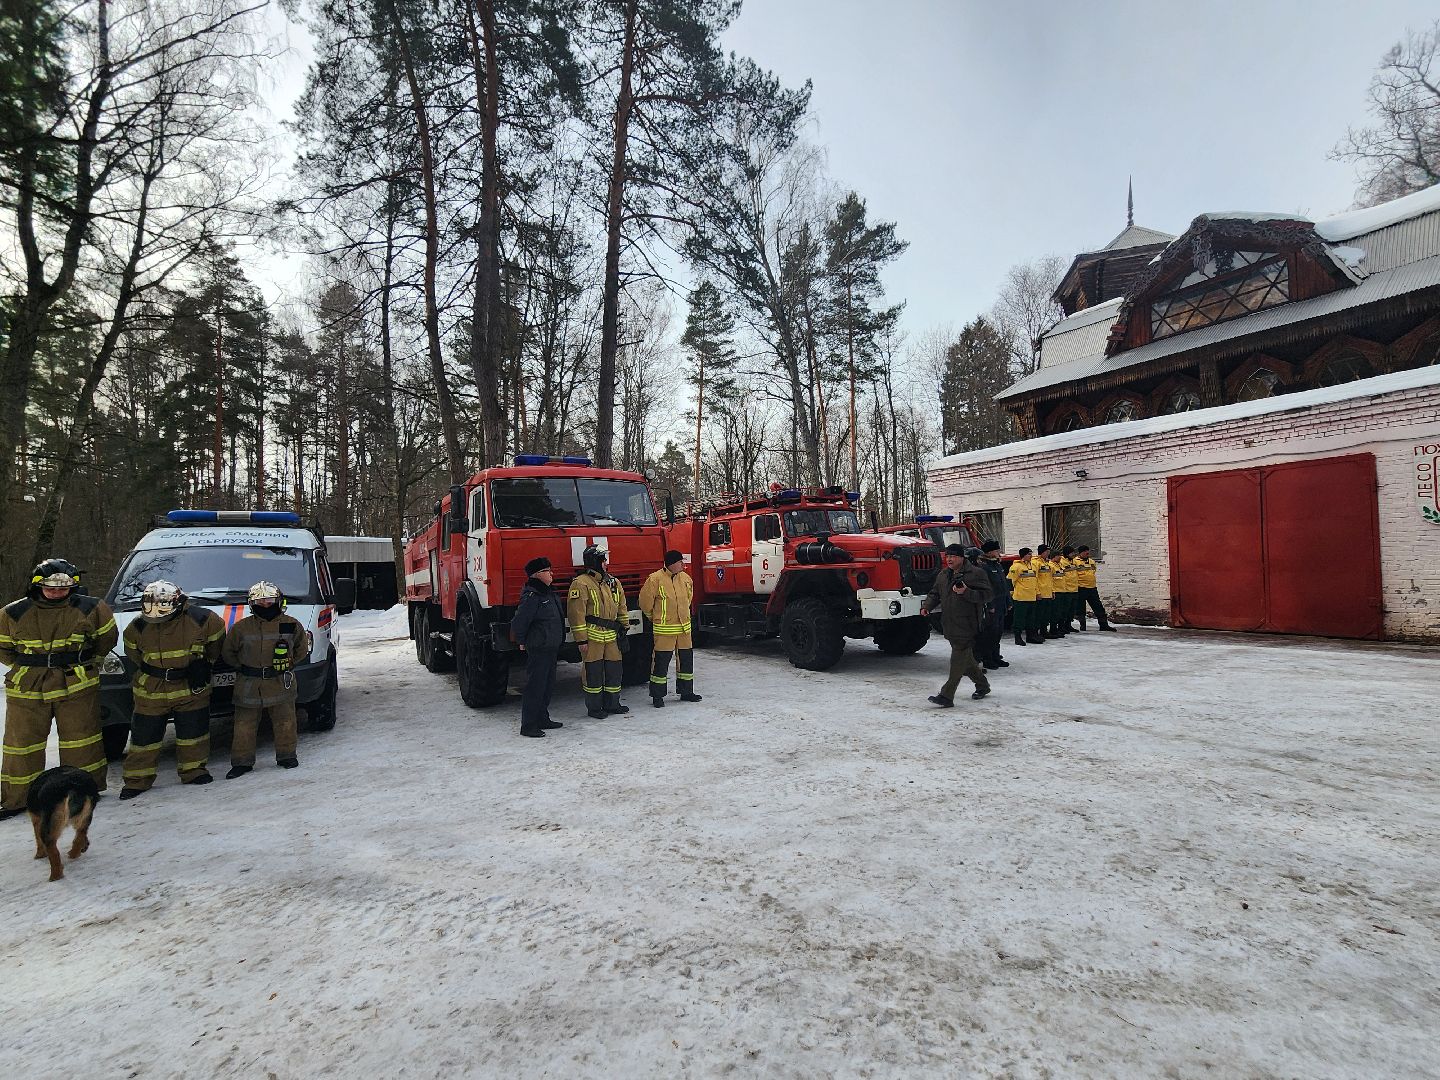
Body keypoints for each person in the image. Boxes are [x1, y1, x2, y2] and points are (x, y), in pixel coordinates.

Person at [0, 559, 117, 819]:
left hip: (76, 683)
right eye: (50, 588)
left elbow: (106, 638)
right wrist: (31, 665)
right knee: (22, 744)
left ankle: (83, 792)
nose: (56, 592)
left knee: (82, 741)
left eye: (63, 588)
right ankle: (18, 798)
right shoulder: (13, 613)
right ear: (37, 586)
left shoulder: (92, 608)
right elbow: (3, 648)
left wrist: (86, 663)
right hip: (28, 685)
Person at [118, 580, 226, 798]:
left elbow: (216, 646)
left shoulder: (204, 620)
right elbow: (133, 654)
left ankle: (194, 771)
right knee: (144, 737)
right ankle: (137, 780)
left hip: (190, 688)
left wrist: (204, 665)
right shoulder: (137, 626)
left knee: (193, 733)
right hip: (151, 690)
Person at [221, 581, 310, 778]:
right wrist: (244, 668)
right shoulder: (241, 628)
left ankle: (287, 756)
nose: (265, 605)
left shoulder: (291, 624)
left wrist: (288, 663)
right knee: (244, 725)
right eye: (259, 602)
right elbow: (228, 652)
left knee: (285, 721)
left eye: (269, 601)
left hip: (280, 681)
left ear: (278, 601)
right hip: (249, 683)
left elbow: (301, 649)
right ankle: (242, 762)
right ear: (252, 604)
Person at [920, 544, 992, 706]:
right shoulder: (943, 574)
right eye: (947, 556)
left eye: (953, 556)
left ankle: (946, 695)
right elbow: (935, 593)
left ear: (962, 557)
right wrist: (927, 607)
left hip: (967, 623)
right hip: (949, 622)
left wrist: (966, 592)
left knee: (957, 659)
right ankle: (982, 685)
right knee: (966, 660)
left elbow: (987, 595)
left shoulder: (976, 573)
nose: (949, 559)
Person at [567, 544, 629, 719]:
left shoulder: (613, 582)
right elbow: (576, 614)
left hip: (612, 636)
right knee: (593, 675)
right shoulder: (581, 583)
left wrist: (624, 627)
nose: (606, 563)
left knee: (614, 672)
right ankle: (594, 708)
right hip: (592, 637)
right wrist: (581, 640)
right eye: (603, 560)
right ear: (595, 561)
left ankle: (613, 704)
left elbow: (622, 606)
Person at [638, 550, 702, 708]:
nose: (683, 564)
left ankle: (686, 692)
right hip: (664, 631)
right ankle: (657, 696)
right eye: (680, 562)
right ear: (672, 564)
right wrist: (655, 618)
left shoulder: (685, 578)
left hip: (684, 630)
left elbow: (688, 599)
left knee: (686, 663)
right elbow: (645, 603)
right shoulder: (655, 579)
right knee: (661, 663)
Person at [510, 557, 565, 738]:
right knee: (536, 686)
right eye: (547, 571)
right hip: (539, 646)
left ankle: (542, 718)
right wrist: (521, 640)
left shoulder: (549, 593)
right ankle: (528, 725)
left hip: (550, 646)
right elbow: (520, 620)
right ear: (537, 575)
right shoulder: (532, 596)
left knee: (547, 685)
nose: (551, 574)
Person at [975, 540, 1010, 669]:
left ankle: (996, 656)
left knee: (998, 632)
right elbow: (986, 588)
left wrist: (1008, 601)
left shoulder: (997, 565)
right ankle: (988, 658)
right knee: (990, 633)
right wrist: (990, 605)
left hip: (1001, 603)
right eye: (996, 550)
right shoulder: (984, 567)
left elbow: (1004, 585)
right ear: (989, 552)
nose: (999, 552)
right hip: (993, 604)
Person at [1074, 545, 1117, 631]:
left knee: (1098, 607)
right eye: (1085, 551)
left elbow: (1093, 572)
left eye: (1088, 551)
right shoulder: (1075, 562)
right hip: (1081, 588)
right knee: (1081, 608)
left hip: (1092, 588)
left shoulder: (1091, 561)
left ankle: (1104, 625)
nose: (1087, 552)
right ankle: (1083, 625)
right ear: (1080, 553)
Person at [1006, 547, 1041, 646]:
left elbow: (1035, 581)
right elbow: (1010, 581)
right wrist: (1011, 594)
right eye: (1029, 554)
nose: (1031, 556)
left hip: (1032, 597)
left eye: (1031, 554)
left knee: (1031, 618)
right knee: (1019, 618)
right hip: (1021, 598)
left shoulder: (1033, 566)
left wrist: (1037, 593)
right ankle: (1017, 637)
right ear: (1023, 555)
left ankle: (1030, 636)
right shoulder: (1016, 567)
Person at [1052, 547, 1079, 638]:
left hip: (1074, 589)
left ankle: (1068, 625)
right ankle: (1062, 626)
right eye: (1071, 553)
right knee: (1064, 610)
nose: (1073, 554)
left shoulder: (1074, 561)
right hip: (1066, 590)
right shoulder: (1062, 562)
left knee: (1071, 610)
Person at [1034, 544, 1057, 640]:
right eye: (1046, 552)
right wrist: (1037, 592)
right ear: (1042, 552)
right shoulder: (1036, 563)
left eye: (1049, 552)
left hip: (1048, 593)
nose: (1048, 553)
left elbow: (1050, 579)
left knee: (1046, 615)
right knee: (1039, 614)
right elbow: (1035, 579)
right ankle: (1036, 632)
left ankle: (1044, 631)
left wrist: (1052, 591)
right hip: (1041, 593)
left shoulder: (1047, 563)